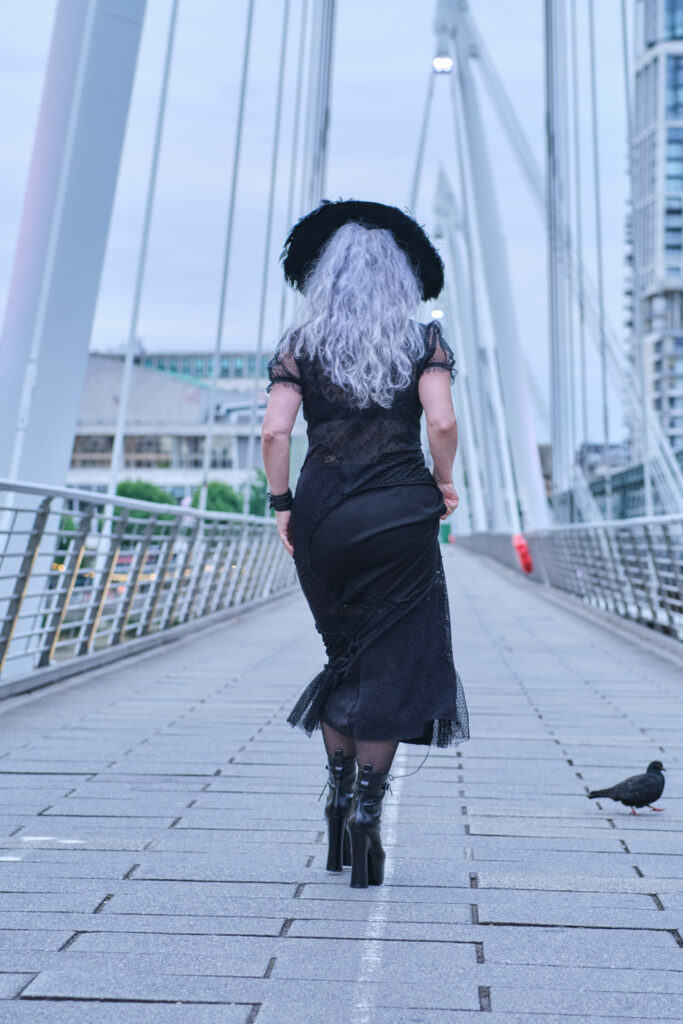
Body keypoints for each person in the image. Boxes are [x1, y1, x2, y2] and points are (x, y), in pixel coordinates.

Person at [261, 199, 469, 888]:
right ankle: (366, 825)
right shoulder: (421, 342)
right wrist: (444, 484)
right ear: (400, 280)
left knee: (343, 657)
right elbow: (439, 423)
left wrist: (283, 503)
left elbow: (273, 433)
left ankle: (335, 805)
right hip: (400, 512)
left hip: (322, 511)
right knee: (390, 663)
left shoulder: (301, 344)